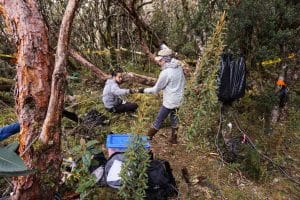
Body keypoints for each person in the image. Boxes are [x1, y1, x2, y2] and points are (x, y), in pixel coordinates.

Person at [139, 45, 185, 144]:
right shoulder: (179, 66)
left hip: (169, 102)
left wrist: (143, 90)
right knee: (174, 118)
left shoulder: (166, 73)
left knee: (158, 121)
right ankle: (174, 139)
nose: (159, 62)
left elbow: (155, 89)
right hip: (179, 99)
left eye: (160, 60)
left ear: (165, 60)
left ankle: (146, 140)